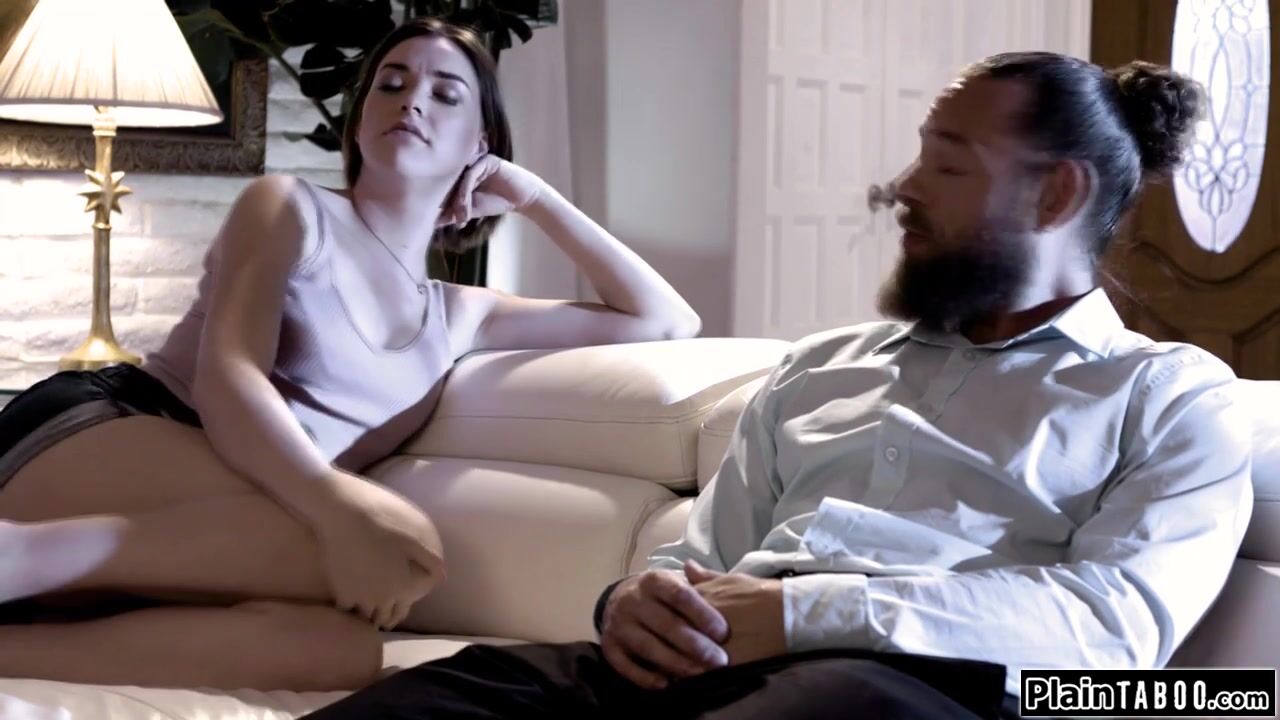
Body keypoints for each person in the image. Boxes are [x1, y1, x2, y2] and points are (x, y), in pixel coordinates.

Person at [298, 52, 1253, 720]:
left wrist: (805, 616)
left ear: (1057, 195)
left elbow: (1113, 631)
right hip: (706, 667)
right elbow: (704, 559)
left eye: (946, 163)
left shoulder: (1168, 400)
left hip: (912, 690)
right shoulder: (820, 365)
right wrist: (634, 603)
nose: (904, 186)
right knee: (437, 698)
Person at [0, 19, 700, 691]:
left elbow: (666, 319)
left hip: (221, 521)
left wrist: (533, 194)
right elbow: (229, 379)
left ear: (479, 143)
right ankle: (20, 553)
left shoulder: (460, 315)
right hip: (111, 433)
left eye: (445, 94)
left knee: (342, 652)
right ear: (360, 120)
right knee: (390, 546)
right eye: (391, 84)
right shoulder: (290, 208)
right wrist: (337, 506)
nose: (412, 100)